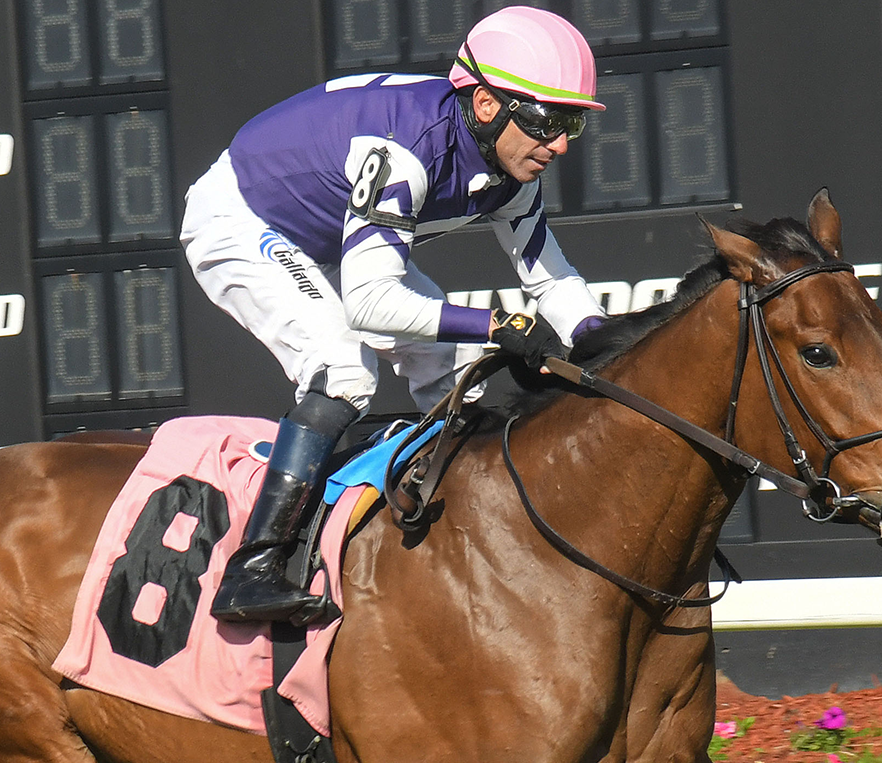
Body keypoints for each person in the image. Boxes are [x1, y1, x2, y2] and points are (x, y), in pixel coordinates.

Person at [180, 5, 608, 624]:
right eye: (548, 120)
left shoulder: (515, 163)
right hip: (246, 221)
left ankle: (463, 531)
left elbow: (552, 279)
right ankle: (254, 566)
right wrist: (495, 325)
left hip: (332, 233)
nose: (561, 144)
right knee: (343, 371)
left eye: (573, 123)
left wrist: (605, 340)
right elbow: (371, 303)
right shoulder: (407, 149)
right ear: (486, 105)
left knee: (458, 364)